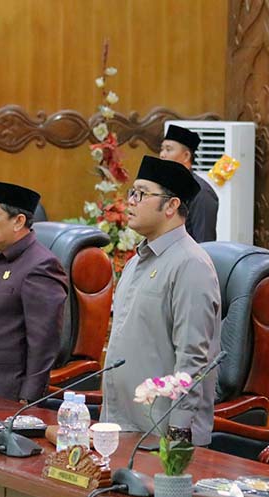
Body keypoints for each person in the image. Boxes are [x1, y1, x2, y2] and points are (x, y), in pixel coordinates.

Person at [102, 155, 221, 446]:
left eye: (141, 194)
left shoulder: (191, 265)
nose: (131, 201)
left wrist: (179, 434)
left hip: (162, 437)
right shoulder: (135, 261)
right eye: (132, 192)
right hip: (122, 424)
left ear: (171, 205)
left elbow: (193, 359)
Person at [0, 181, 68, 403]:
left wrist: (29, 398)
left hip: (8, 391)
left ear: (18, 221)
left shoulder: (41, 265)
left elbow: (44, 342)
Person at [160, 124, 219, 242]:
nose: (162, 155)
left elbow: (205, 242)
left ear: (186, 156)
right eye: (161, 149)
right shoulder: (164, 187)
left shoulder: (201, 192)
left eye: (168, 149)